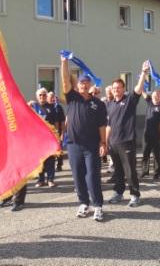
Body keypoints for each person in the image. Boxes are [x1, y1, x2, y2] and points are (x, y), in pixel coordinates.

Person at [61, 56, 107, 221]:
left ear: (90, 85)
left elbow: (102, 125)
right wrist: (64, 62)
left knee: (92, 175)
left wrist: (103, 142)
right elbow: (65, 81)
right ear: (78, 85)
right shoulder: (72, 97)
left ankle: (98, 206)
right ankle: (83, 203)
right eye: (81, 83)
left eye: (87, 83)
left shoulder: (98, 104)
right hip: (73, 144)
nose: (84, 85)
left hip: (91, 145)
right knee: (77, 175)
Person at [106, 61, 149, 207]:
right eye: (114, 88)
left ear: (123, 88)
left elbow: (138, 89)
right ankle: (118, 193)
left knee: (129, 171)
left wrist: (143, 73)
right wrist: (105, 142)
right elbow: (109, 125)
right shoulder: (110, 104)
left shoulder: (129, 100)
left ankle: (135, 195)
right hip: (113, 143)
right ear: (111, 90)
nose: (116, 90)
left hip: (127, 142)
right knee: (117, 171)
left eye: (119, 87)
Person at [28, 88, 58, 187]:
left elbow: (56, 123)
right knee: (40, 160)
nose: (42, 97)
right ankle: (41, 180)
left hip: (50, 137)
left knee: (50, 160)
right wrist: (29, 103)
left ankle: (50, 179)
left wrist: (57, 135)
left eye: (44, 95)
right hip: (38, 138)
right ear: (37, 97)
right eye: (40, 95)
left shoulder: (52, 107)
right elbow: (22, 110)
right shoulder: (33, 107)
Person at [140, 89, 160, 179]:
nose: (155, 96)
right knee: (145, 153)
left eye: (157, 95)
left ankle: (157, 172)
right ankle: (144, 171)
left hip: (157, 134)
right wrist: (141, 84)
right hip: (147, 133)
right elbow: (143, 93)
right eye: (154, 95)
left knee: (156, 154)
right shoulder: (149, 103)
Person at [47, 92, 66, 172]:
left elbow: (62, 121)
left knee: (59, 148)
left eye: (53, 97)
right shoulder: (45, 107)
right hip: (48, 133)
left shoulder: (58, 107)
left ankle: (59, 164)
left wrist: (62, 133)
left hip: (57, 131)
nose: (52, 99)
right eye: (50, 97)